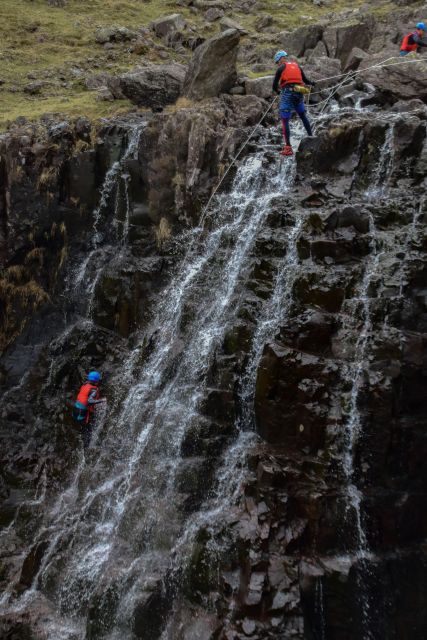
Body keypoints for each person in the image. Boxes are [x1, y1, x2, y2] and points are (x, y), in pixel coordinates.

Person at [272, 50, 315, 157]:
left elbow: (274, 85)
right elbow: (306, 80)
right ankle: (311, 137)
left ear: (280, 59)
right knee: (302, 115)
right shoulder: (297, 66)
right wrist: (313, 83)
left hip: (287, 94)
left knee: (285, 120)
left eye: (277, 61)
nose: (278, 63)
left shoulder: (281, 68)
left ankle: (288, 148)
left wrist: (278, 92)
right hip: (299, 92)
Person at [72, 371, 106, 448]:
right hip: (82, 412)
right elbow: (89, 401)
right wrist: (102, 400)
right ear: (96, 381)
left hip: (76, 409)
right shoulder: (93, 390)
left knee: (82, 428)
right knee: (87, 430)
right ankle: (87, 447)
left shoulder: (85, 385)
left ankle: (81, 442)